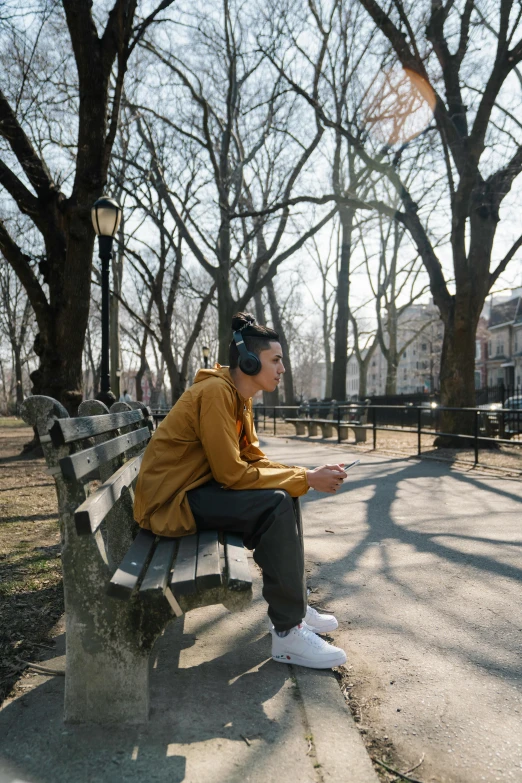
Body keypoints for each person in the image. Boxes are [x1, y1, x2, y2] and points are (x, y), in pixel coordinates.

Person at [134, 313, 348, 669]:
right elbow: (232, 473)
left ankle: (292, 607)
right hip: (168, 503)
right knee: (276, 504)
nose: (282, 369)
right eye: (275, 360)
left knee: (284, 495)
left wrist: (304, 476)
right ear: (249, 361)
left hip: (192, 491)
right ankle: (288, 633)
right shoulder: (217, 393)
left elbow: (252, 460)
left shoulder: (237, 397)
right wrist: (307, 478)